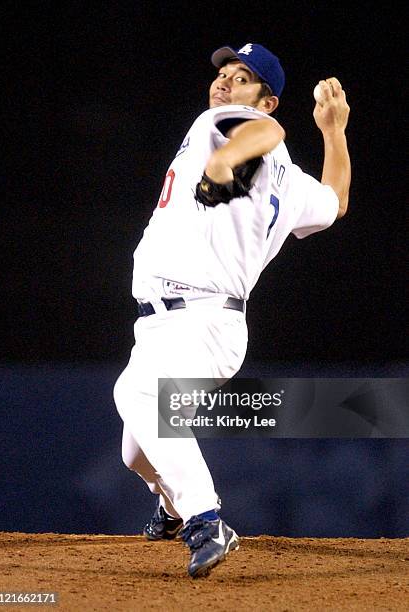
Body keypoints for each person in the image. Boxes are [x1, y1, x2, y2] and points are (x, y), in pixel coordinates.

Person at [113, 42, 351, 578]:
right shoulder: (286, 177)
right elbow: (335, 202)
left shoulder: (233, 125)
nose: (225, 81)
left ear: (264, 102)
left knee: (136, 395)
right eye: (224, 71)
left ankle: (205, 518)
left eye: (243, 77)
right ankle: (172, 509)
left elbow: (268, 133)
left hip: (198, 318)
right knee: (136, 453)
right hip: (179, 325)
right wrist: (334, 132)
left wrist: (223, 160)